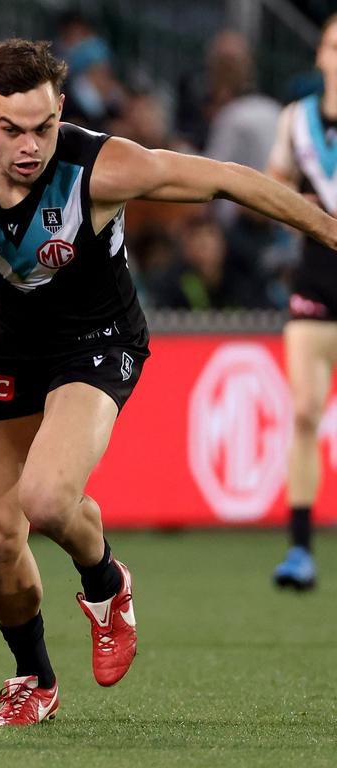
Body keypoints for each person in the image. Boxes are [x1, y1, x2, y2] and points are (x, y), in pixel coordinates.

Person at [0, 38, 337, 727]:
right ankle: (34, 677)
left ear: (62, 111)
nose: (30, 146)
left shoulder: (103, 167)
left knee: (49, 500)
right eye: (11, 129)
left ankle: (106, 584)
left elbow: (229, 179)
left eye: (44, 127)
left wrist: (327, 228)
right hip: (10, 343)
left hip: (98, 339)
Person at [266, 13, 337, 591]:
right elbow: (271, 184)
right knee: (305, 415)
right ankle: (299, 549)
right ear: (320, 54)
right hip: (314, 285)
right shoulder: (297, 121)